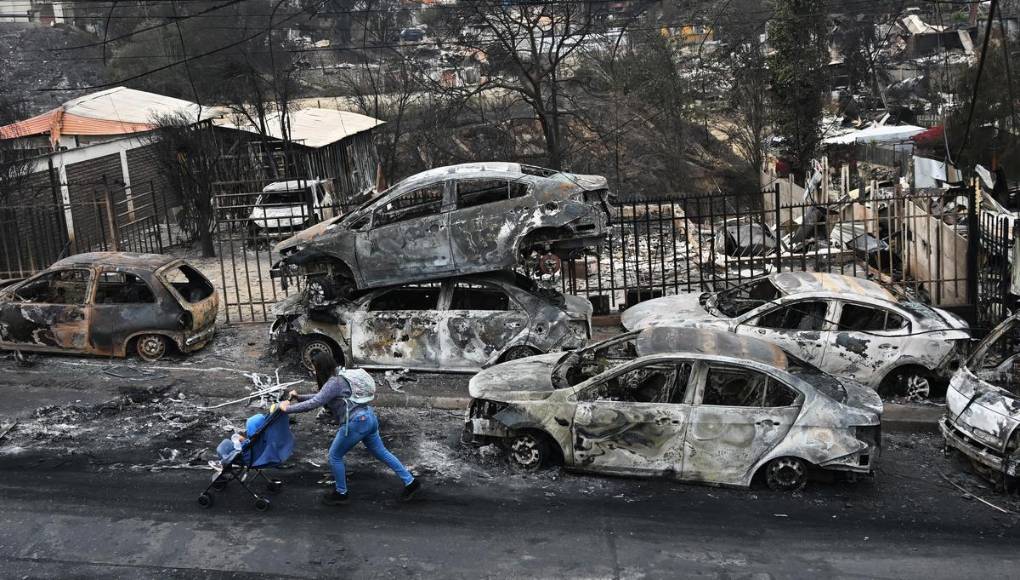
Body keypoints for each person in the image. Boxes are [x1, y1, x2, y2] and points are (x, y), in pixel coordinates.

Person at [280, 351, 421, 505]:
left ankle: (341, 493)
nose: (314, 371)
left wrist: (286, 409)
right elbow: (320, 397)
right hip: (368, 417)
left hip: (357, 423)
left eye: (315, 368)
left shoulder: (334, 382)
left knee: (334, 456)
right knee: (382, 452)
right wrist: (298, 397)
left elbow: (315, 402)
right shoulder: (339, 375)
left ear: (321, 367)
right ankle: (411, 482)